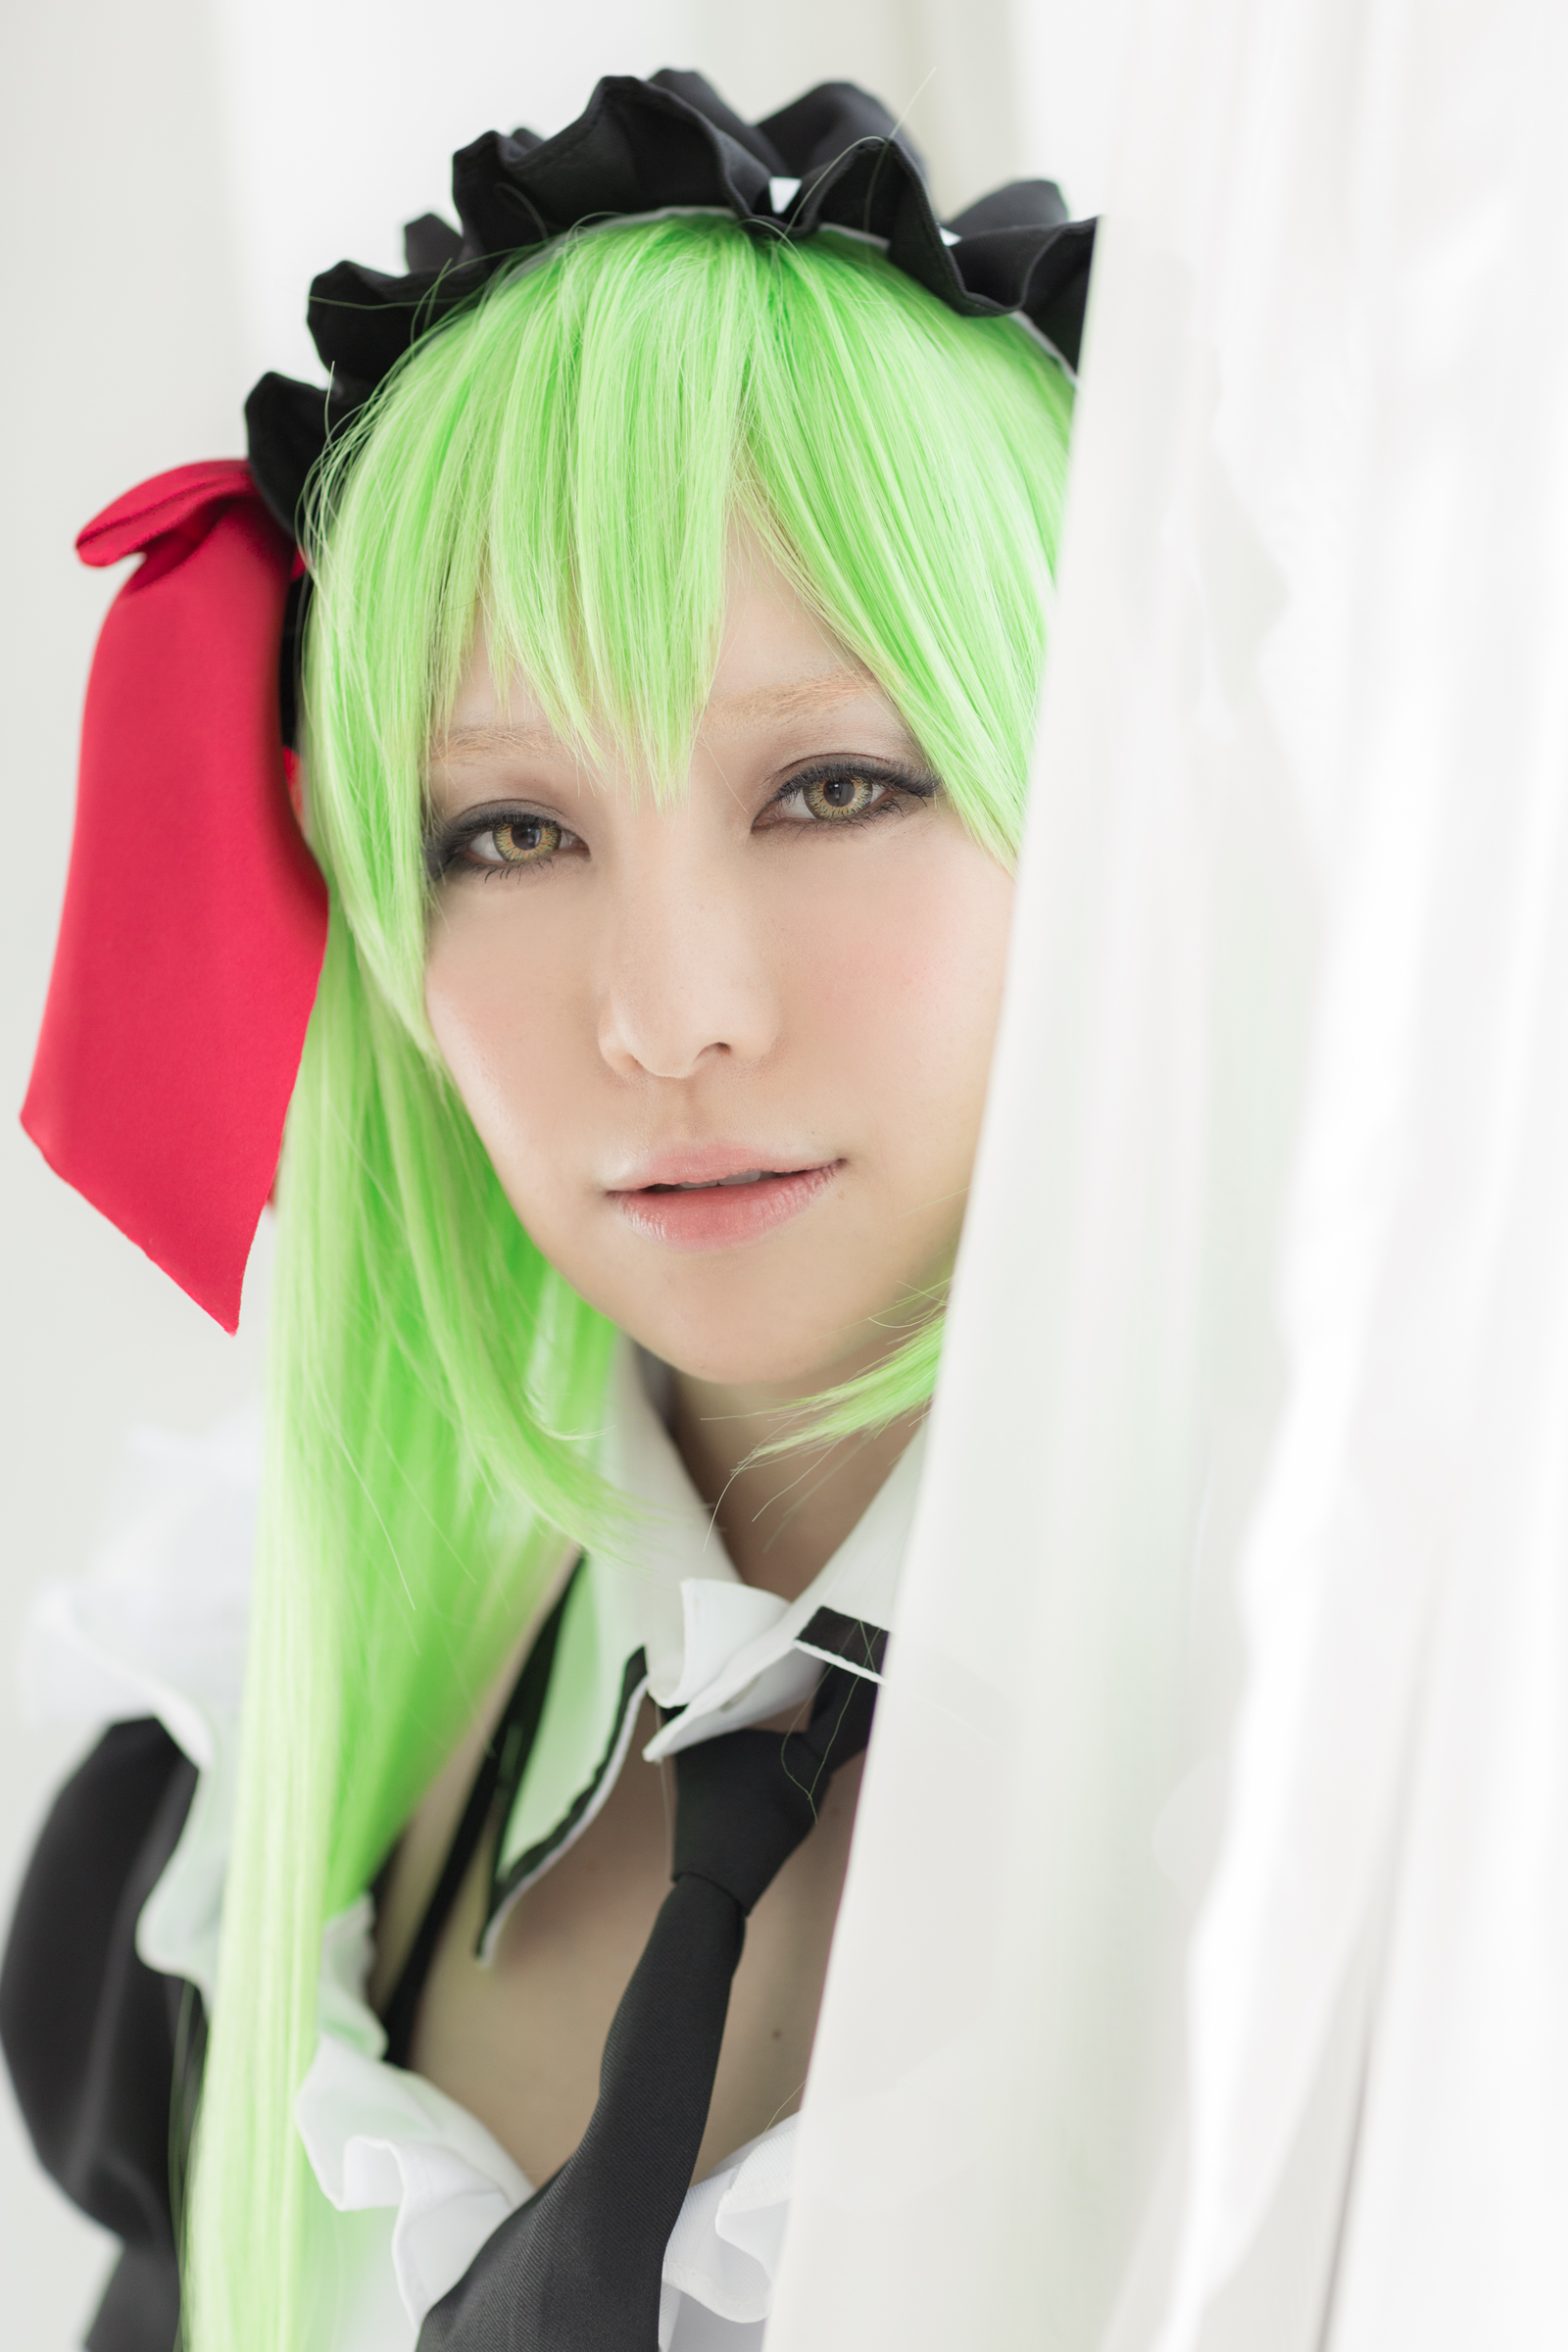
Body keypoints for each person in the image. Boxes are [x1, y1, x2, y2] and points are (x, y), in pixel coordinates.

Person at [2, 72, 1088, 2352]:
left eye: (834, 785)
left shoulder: (1374, 1773)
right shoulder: (263, 1757)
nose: (666, 1016)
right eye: (506, 831)